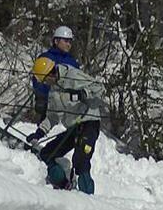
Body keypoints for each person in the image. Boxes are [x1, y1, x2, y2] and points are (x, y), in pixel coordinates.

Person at [26, 57, 106, 194]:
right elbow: (52, 116)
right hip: (73, 128)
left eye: (45, 80)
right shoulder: (53, 91)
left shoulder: (73, 75)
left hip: (89, 122)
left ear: (50, 73)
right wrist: (39, 132)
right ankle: (65, 186)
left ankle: (88, 198)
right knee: (47, 154)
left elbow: (99, 88)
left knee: (80, 161)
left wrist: (82, 94)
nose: (45, 83)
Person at [31, 26, 80, 124]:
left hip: (67, 103)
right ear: (56, 41)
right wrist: (42, 96)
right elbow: (37, 80)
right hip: (48, 102)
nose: (68, 44)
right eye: (65, 41)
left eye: (70, 42)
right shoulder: (46, 58)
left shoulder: (72, 62)